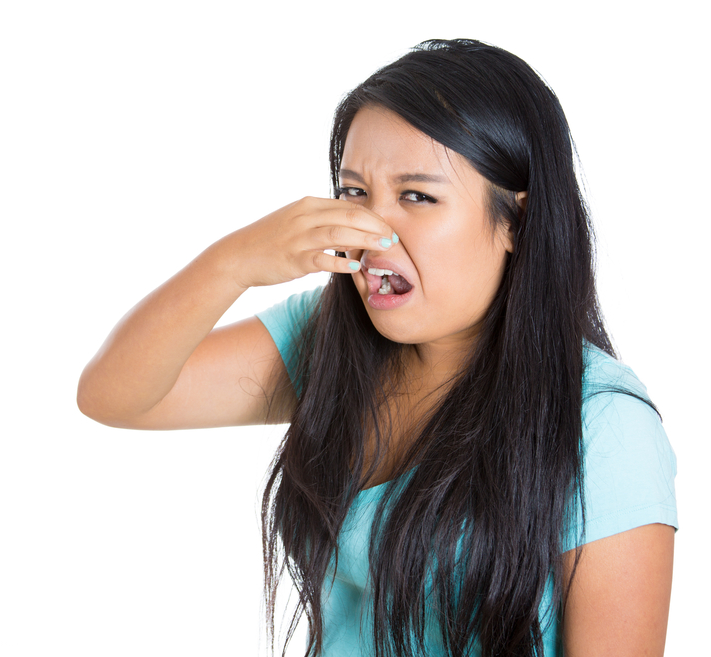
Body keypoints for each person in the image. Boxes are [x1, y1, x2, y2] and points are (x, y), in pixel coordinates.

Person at [77, 39, 677, 657]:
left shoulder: (606, 428)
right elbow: (114, 395)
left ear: (516, 224)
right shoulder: (330, 335)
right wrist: (233, 263)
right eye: (355, 192)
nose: (373, 230)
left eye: (417, 196)